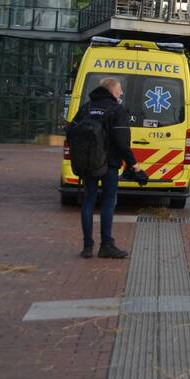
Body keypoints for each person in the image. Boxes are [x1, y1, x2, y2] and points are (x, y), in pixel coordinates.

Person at [69, 77, 139, 259]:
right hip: (109, 164)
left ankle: (87, 247)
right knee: (109, 201)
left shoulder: (87, 107)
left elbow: (70, 132)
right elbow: (122, 142)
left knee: (88, 201)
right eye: (119, 89)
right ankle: (106, 245)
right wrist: (134, 164)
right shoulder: (118, 110)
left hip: (88, 164)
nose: (122, 92)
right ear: (112, 91)